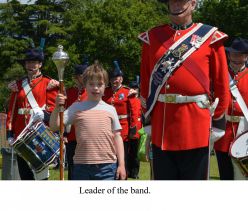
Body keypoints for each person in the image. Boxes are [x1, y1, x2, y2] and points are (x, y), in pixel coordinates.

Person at [139, 0, 229, 180]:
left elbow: (222, 85)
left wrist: (218, 121)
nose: (177, 5)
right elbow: (146, 82)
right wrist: (148, 118)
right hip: (162, 127)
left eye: (182, 1)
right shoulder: (153, 37)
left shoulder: (210, 37)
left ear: (193, 4)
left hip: (196, 126)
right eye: (172, 1)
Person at [49, 61, 126, 180]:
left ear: (105, 86)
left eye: (100, 84)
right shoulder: (76, 107)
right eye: (91, 84)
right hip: (81, 166)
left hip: (107, 166)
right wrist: (56, 107)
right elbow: (54, 126)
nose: (95, 88)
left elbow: (117, 137)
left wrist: (121, 165)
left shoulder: (110, 109)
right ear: (85, 85)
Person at [6, 48, 59, 180]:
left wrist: (43, 115)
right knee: (25, 176)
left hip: (39, 134)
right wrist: (9, 132)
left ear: (40, 64)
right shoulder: (18, 84)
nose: (31, 65)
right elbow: (12, 110)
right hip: (20, 134)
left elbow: (53, 110)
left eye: (34, 62)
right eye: (28, 62)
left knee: (41, 176)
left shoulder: (49, 83)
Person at [214, 37, 248, 180]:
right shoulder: (219, 75)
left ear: (246, 56)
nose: (235, 58)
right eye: (233, 54)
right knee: (225, 175)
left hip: (245, 130)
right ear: (228, 55)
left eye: (239, 55)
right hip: (223, 131)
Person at [103, 61, 142, 179]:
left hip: (122, 130)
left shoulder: (127, 92)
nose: (115, 80)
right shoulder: (106, 92)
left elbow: (134, 112)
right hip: (107, 129)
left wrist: (133, 129)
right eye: (112, 78)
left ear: (121, 79)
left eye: (117, 78)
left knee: (122, 157)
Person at [63, 62, 88, 180]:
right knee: (72, 165)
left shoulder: (92, 92)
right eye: (82, 75)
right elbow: (64, 115)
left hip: (87, 135)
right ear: (76, 77)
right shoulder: (69, 92)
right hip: (72, 135)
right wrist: (63, 134)